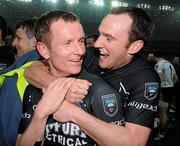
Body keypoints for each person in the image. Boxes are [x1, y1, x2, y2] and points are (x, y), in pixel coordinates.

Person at [25, 7, 160, 146]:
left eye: (108, 38)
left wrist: (73, 113)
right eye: (100, 34)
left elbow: (135, 142)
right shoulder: (89, 55)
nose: (97, 43)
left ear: (134, 47)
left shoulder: (145, 79)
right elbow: (32, 69)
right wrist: (60, 88)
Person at [16, 10, 124, 146]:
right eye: (67, 43)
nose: (80, 51)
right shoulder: (33, 89)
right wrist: (40, 114)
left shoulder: (101, 92)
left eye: (81, 41)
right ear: (44, 50)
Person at [0, 18, 41, 145]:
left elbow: (7, 134)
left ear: (34, 42)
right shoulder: (50, 69)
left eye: (18, 38)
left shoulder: (15, 79)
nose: (13, 43)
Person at [153, 52, 178, 140]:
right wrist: (170, 86)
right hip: (170, 89)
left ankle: (161, 133)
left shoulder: (159, 65)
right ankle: (166, 126)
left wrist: (159, 91)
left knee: (162, 113)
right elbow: (175, 79)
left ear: (155, 57)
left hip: (163, 90)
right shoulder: (170, 64)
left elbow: (160, 78)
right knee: (165, 111)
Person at [172, 56, 180, 120]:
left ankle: (176, 114)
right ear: (173, 60)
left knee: (177, 99)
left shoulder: (178, 68)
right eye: (175, 59)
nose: (176, 60)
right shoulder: (171, 67)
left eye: (177, 59)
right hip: (172, 85)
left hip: (177, 85)